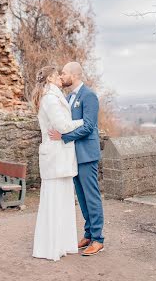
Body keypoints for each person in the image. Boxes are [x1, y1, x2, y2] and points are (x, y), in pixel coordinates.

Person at [48, 61, 104, 256]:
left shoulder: (89, 95)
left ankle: (98, 239)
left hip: (87, 155)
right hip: (73, 155)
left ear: (73, 74)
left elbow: (88, 126)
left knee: (92, 196)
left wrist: (64, 137)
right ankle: (88, 234)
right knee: (81, 197)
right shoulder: (70, 96)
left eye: (63, 73)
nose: (62, 77)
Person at [32, 65, 84, 261]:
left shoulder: (52, 96)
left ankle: (61, 244)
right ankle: (51, 247)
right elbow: (61, 126)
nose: (61, 77)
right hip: (56, 156)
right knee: (54, 202)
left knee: (61, 202)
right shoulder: (50, 99)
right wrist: (84, 122)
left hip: (58, 155)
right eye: (57, 75)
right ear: (51, 79)